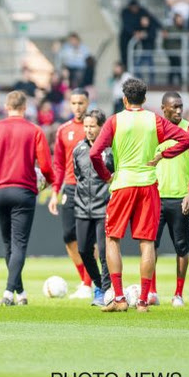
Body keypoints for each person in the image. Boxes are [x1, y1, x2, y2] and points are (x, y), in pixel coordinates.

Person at [90, 79, 189, 313]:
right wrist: (164, 155)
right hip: (148, 185)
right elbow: (188, 139)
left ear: (125, 99)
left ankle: (119, 298)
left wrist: (106, 175)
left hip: (123, 184)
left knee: (112, 239)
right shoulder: (154, 119)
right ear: (145, 99)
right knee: (147, 242)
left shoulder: (115, 121)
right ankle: (143, 302)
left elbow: (95, 152)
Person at [0, 91, 54, 306]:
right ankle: (9, 291)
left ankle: (20, 292)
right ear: (25, 107)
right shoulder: (34, 130)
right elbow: (46, 166)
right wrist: (48, 182)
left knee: (8, 243)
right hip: (24, 191)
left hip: (0, 192)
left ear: (6, 106)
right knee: (19, 243)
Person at [151, 92, 189, 307]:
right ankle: (151, 292)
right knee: (150, 246)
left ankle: (178, 294)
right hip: (155, 197)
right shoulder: (153, 131)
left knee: (182, 247)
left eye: (181, 106)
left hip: (181, 198)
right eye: (174, 107)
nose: (179, 111)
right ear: (164, 108)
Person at [47, 88, 94, 300]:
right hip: (70, 187)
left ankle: (88, 283)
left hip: (92, 188)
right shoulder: (64, 130)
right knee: (69, 236)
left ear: (87, 103)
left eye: (81, 103)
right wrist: (55, 192)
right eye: (74, 103)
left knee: (89, 238)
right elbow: (57, 164)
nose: (77, 107)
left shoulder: (95, 128)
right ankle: (86, 279)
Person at [72, 109, 113, 307]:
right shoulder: (78, 149)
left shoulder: (110, 151)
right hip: (81, 208)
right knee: (83, 250)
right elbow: (77, 175)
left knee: (104, 252)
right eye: (86, 126)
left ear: (101, 127)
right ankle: (99, 284)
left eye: (92, 126)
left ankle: (104, 291)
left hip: (103, 207)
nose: (88, 130)